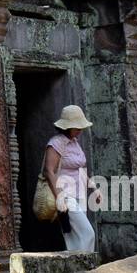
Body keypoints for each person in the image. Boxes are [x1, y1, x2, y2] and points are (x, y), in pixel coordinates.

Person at [44, 105, 96, 252]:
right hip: (66, 195)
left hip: (80, 194)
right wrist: (60, 198)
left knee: (75, 238)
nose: (80, 130)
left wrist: (94, 188)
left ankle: (79, 271)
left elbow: (80, 169)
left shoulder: (74, 142)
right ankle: (86, 269)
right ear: (67, 127)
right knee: (87, 233)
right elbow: (49, 171)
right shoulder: (56, 143)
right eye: (77, 127)